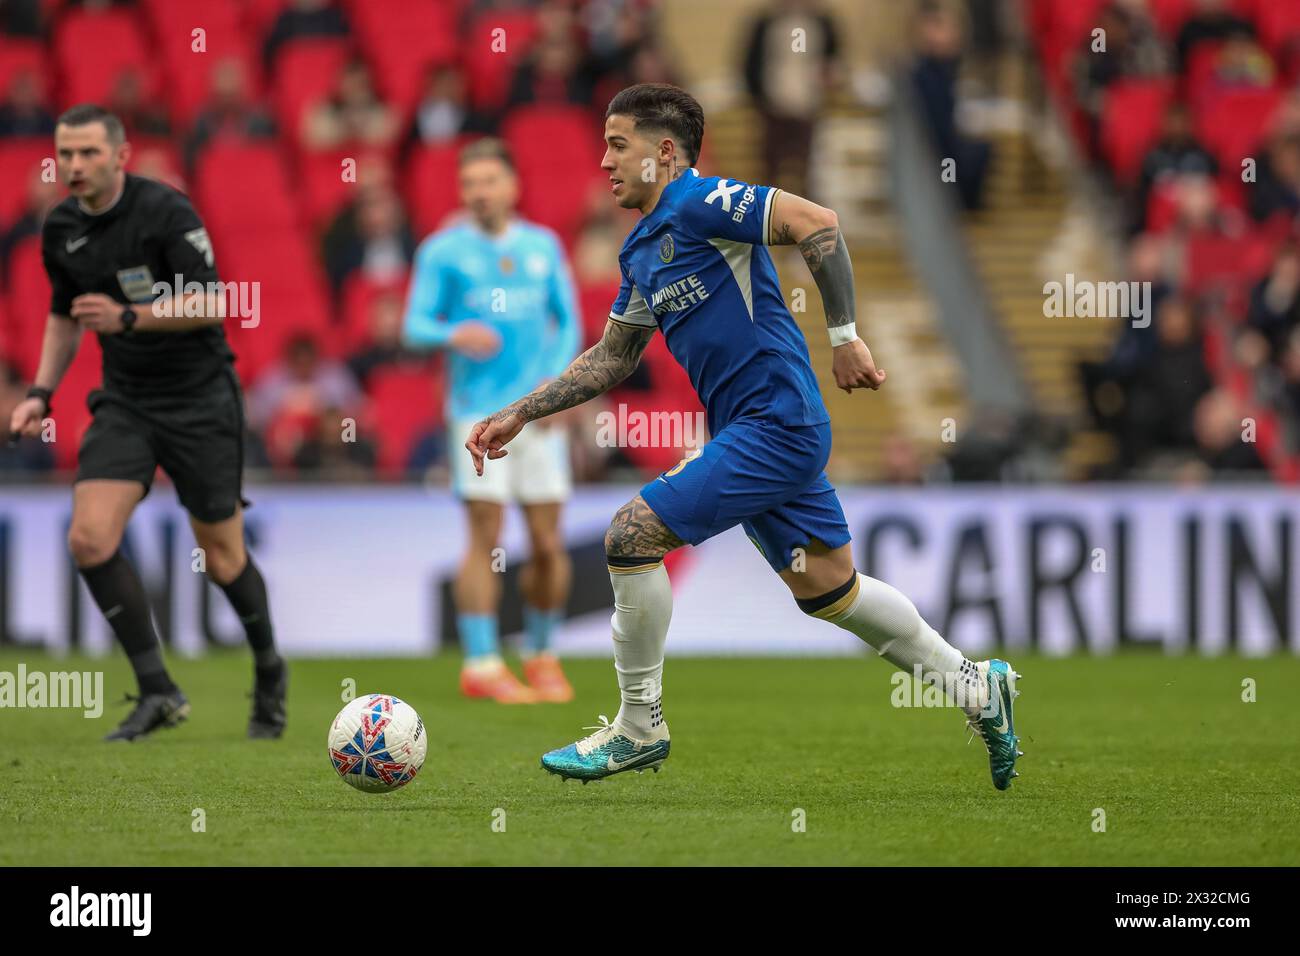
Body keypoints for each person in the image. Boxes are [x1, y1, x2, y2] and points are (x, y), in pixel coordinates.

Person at [466, 83, 1023, 788]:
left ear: (664, 153)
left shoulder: (699, 203)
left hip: (776, 420)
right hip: (754, 427)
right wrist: (521, 411)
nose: (604, 162)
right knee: (829, 588)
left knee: (630, 536)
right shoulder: (642, 249)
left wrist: (845, 337)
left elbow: (816, 221)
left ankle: (639, 727)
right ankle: (979, 687)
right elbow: (613, 355)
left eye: (618, 144)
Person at [6, 105, 287, 741]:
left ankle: (269, 666)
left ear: (121, 156)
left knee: (222, 557)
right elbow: (63, 315)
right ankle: (158, 689)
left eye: (87, 154)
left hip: (200, 400)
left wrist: (131, 317)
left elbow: (214, 301)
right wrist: (41, 392)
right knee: (89, 538)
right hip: (126, 402)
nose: (74, 166)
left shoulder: (166, 212)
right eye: (65, 154)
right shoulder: (60, 228)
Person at [403, 137, 581, 705]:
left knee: (548, 544)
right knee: (485, 536)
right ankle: (481, 662)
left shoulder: (543, 246)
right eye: (469, 184)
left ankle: (542, 654)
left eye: (488, 181)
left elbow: (570, 321)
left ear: (512, 186)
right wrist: (454, 331)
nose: (478, 193)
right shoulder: (442, 252)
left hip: (536, 416)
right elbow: (413, 325)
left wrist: (552, 387)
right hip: (474, 417)